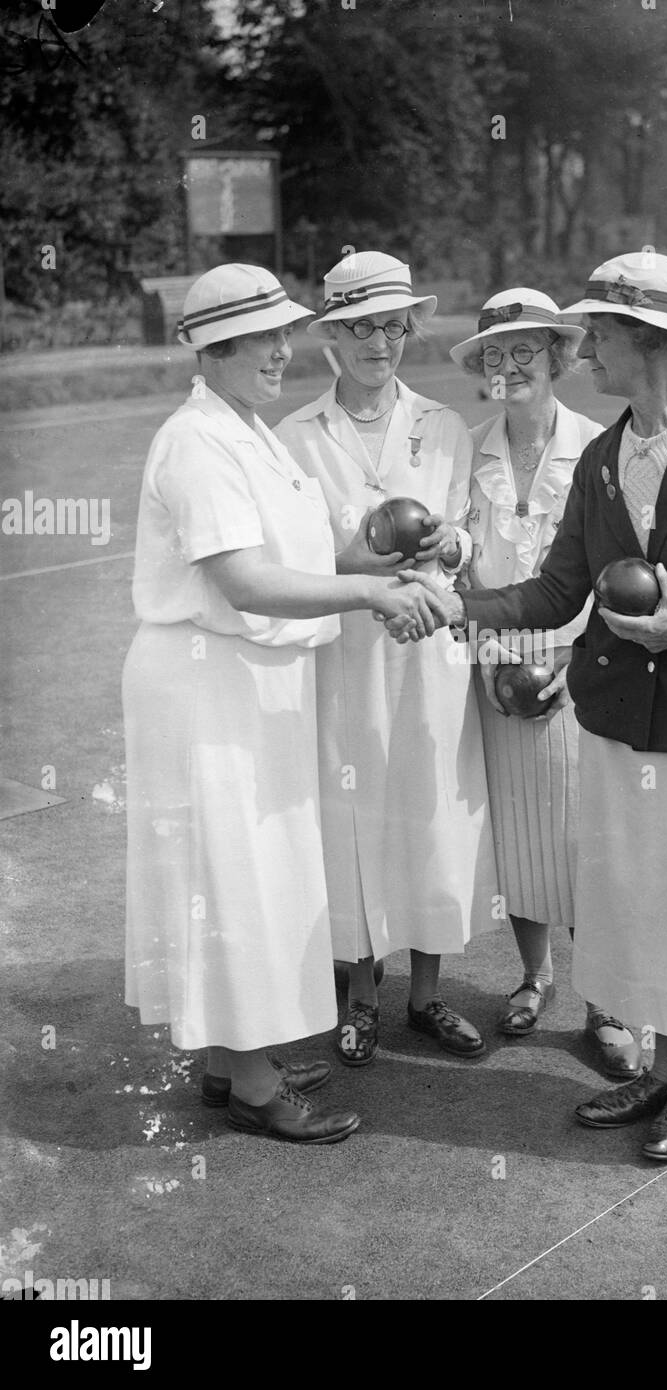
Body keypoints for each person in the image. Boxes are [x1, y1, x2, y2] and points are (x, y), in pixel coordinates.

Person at [398, 252, 667, 1161]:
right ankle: (661, 1069)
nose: (586, 345)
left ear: (651, 340)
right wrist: (459, 609)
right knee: (640, 904)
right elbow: (557, 592)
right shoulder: (603, 459)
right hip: (614, 725)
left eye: (599, 330)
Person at [123, 264, 445, 1145]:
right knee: (232, 876)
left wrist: (365, 564)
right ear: (215, 348)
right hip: (206, 683)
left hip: (249, 682)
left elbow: (296, 552)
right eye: (264, 338)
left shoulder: (247, 432)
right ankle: (259, 1087)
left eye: (283, 333)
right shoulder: (198, 442)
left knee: (253, 872)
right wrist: (367, 597)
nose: (282, 349)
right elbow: (247, 580)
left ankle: (234, 1064)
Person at [275, 252, 499, 1068]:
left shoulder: (441, 426)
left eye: (394, 324)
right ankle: (361, 994)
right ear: (333, 334)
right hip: (345, 655)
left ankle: (426, 995)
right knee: (356, 812)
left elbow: (467, 534)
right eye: (362, 325)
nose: (381, 340)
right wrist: (351, 563)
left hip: (428, 651)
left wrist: (453, 541)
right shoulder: (293, 437)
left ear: (411, 328)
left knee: (429, 812)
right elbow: (287, 563)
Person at [450, 287, 641, 1079]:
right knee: (520, 834)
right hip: (495, 668)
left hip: (575, 669)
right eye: (496, 354)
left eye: (526, 350)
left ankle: (607, 1002)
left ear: (560, 357)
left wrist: (577, 656)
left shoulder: (599, 446)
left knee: (583, 841)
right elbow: (457, 554)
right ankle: (535, 976)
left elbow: (625, 574)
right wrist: (483, 644)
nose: (510, 367)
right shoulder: (467, 449)